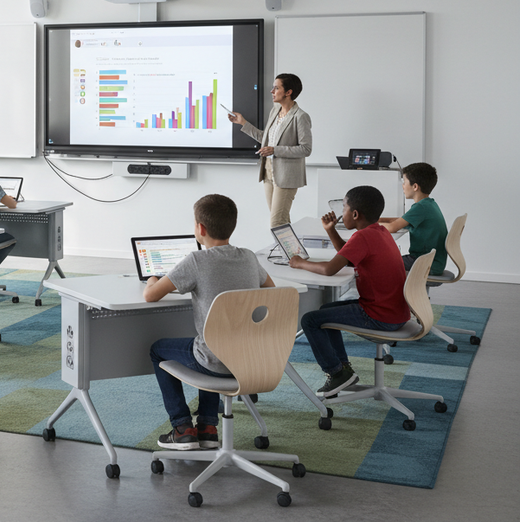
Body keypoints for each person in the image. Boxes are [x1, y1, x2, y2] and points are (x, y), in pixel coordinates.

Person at [144, 194, 275, 451]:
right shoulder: (248, 257)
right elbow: (271, 290)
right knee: (211, 344)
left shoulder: (196, 261)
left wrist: (152, 279)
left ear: (200, 229)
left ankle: (182, 427)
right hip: (249, 359)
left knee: (159, 350)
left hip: (215, 362)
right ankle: (207, 427)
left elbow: (152, 295)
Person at [290, 186, 409, 398]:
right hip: (394, 312)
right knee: (325, 310)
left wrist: (299, 263)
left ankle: (336, 373)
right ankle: (343, 370)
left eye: (343, 207)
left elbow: (329, 269)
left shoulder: (363, 238)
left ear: (354, 214)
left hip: (379, 316)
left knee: (309, 319)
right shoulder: (378, 232)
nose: (340, 212)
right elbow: (347, 253)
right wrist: (330, 229)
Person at [227, 73, 312, 227]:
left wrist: (275, 150)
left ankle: (290, 251)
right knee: (282, 222)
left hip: (286, 176)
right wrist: (243, 123)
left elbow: (305, 149)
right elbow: (265, 139)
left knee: (277, 222)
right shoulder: (275, 112)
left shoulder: (300, 117)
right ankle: (293, 251)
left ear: (288, 92)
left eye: (276, 88)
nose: (272, 91)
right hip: (268, 171)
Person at [379, 162, 448, 276]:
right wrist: (377, 219)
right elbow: (400, 220)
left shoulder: (421, 207)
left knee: (379, 263)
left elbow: (392, 228)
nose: (402, 186)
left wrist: (368, 223)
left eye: (404, 182)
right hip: (433, 262)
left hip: (424, 263)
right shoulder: (428, 204)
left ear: (415, 186)